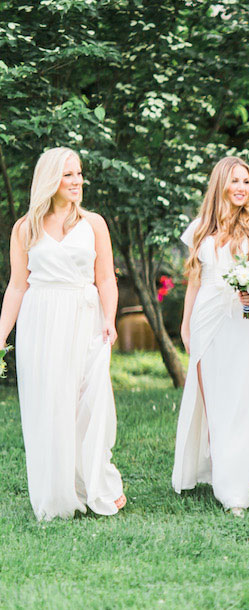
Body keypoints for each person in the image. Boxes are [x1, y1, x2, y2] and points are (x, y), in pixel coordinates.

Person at [0, 147, 125, 520]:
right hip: (41, 322)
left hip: (86, 318)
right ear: (50, 180)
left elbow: (106, 278)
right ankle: (58, 493)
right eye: (69, 175)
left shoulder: (94, 224)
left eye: (80, 174)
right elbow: (17, 287)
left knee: (90, 403)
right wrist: (1, 334)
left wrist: (110, 319)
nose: (78, 181)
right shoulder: (25, 228)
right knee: (49, 405)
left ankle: (96, 483)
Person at [172, 156, 249, 516]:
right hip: (207, 319)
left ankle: (238, 483)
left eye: (246, 182)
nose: (241, 188)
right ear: (221, 184)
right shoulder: (200, 228)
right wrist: (186, 325)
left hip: (244, 320)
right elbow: (194, 282)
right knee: (214, 397)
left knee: (244, 397)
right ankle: (222, 473)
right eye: (235, 181)